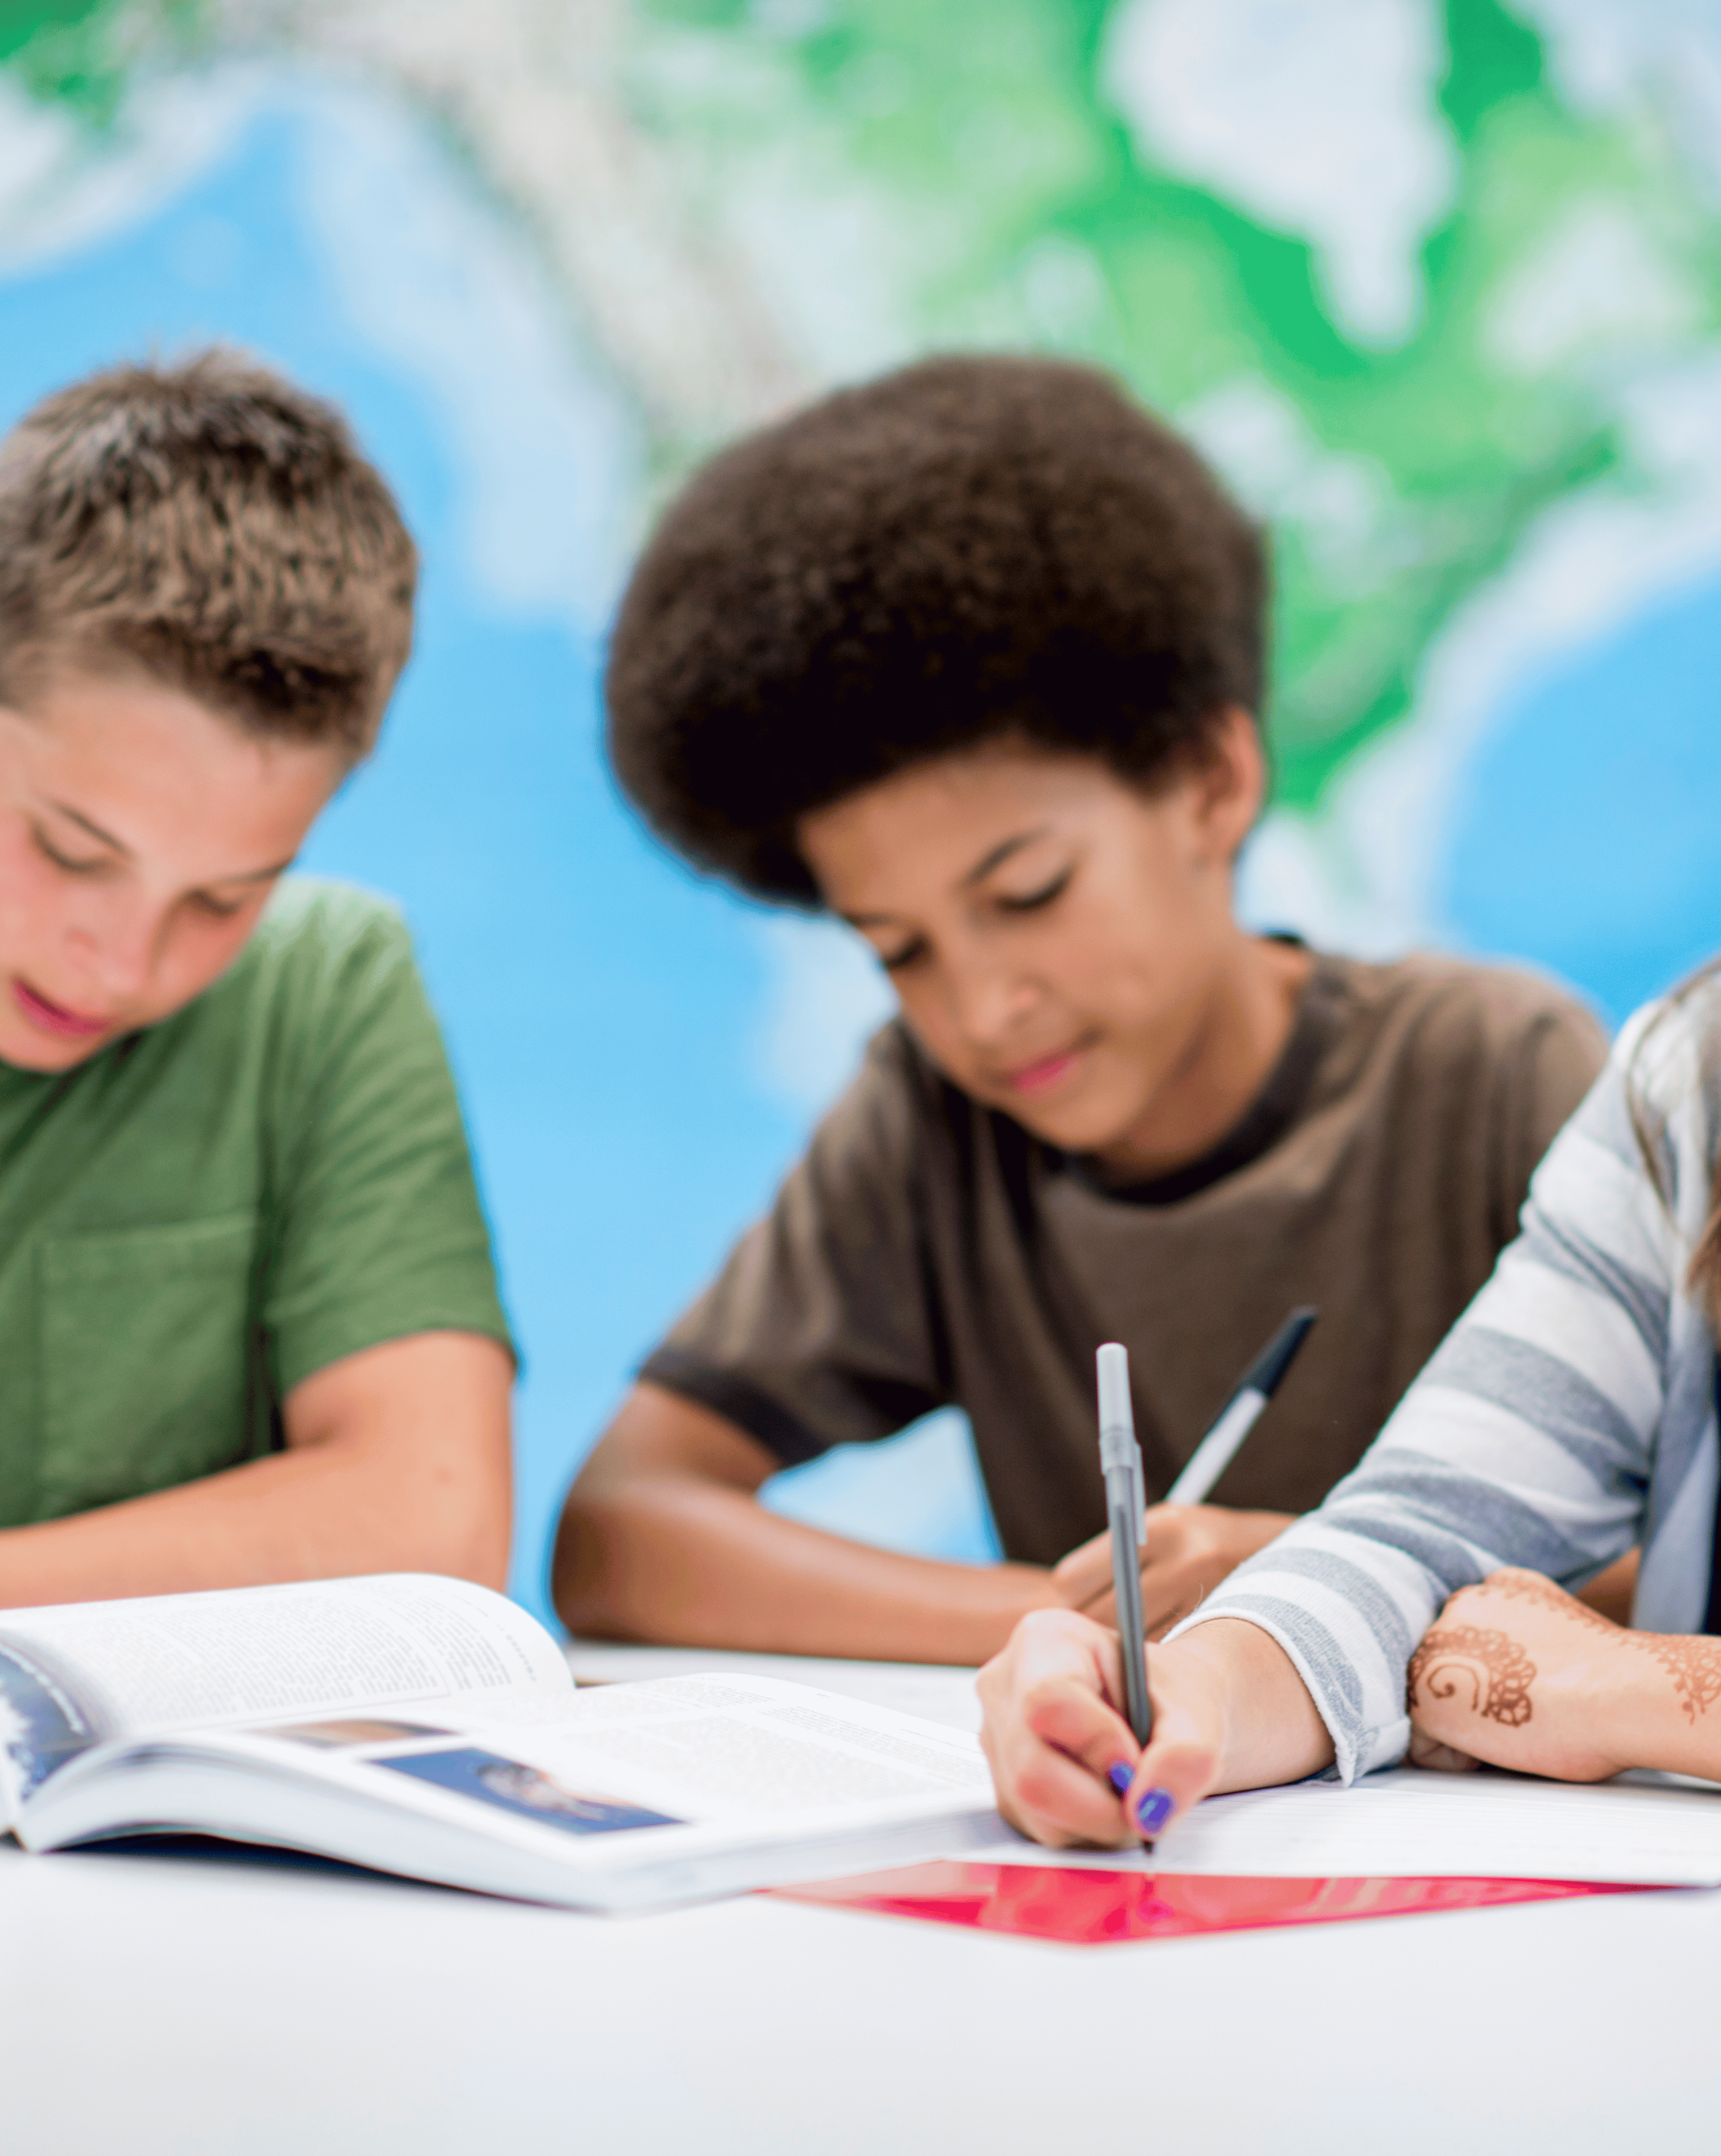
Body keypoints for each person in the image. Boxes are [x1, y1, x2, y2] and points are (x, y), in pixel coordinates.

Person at [977, 356, 1721, 1844]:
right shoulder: (1710, 1081)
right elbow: (1422, 1530)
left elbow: (1566, 1678)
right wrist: (1175, 1697)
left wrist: (1630, 1692)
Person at [551, 354, 1606, 1663]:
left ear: (1211, 782)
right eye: (900, 950)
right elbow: (619, 1529)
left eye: (1030, 892)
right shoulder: (935, 1126)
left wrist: (1307, 1583)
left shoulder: (1496, 1072)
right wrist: (1075, 1625)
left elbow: (1704, 1568)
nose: (985, 1010)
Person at [0, 352, 513, 1621]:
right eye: (68, 851)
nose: (121, 963)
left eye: (226, 896)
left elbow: (433, 1522)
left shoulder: (323, 988)